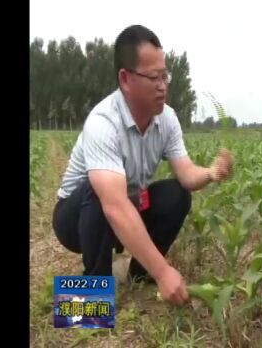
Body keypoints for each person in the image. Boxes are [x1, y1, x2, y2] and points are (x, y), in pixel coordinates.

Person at [52, 25, 233, 306]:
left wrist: (210, 172)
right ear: (125, 79)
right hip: (75, 220)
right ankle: (90, 296)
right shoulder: (103, 122)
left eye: (165, 75)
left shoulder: (167, 119)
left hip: (126, 206)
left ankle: (140, 273)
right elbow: (113, 205)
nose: (163, 85)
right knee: (100, 191)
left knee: (176, 194)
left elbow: (185, 173)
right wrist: (165, 271)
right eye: (153, 77)